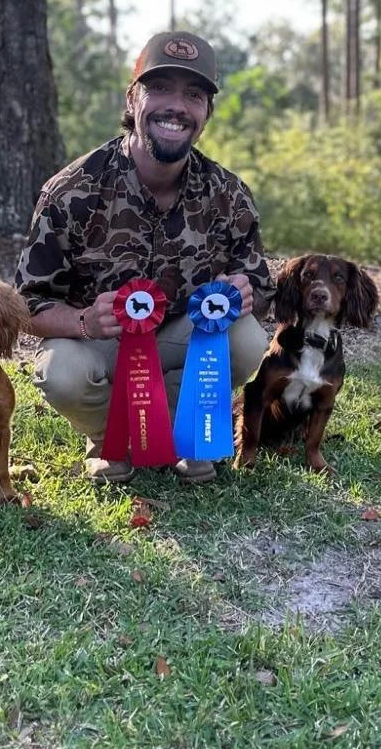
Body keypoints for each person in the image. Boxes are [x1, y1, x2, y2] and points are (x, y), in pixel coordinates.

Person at [15, 30, 275, 484]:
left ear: (206, 113)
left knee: (247, 338)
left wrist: (243, 292)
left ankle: (184, 430)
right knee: (61, 372)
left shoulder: (229, 195)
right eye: (160, 89)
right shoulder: (73, 191)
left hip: (182, 338)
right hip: (102, 344)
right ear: (132, 100)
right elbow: (25, 304)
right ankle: (109, 439)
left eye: (193, 94)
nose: (177, 106)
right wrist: (82, 323)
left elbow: (260, 286)